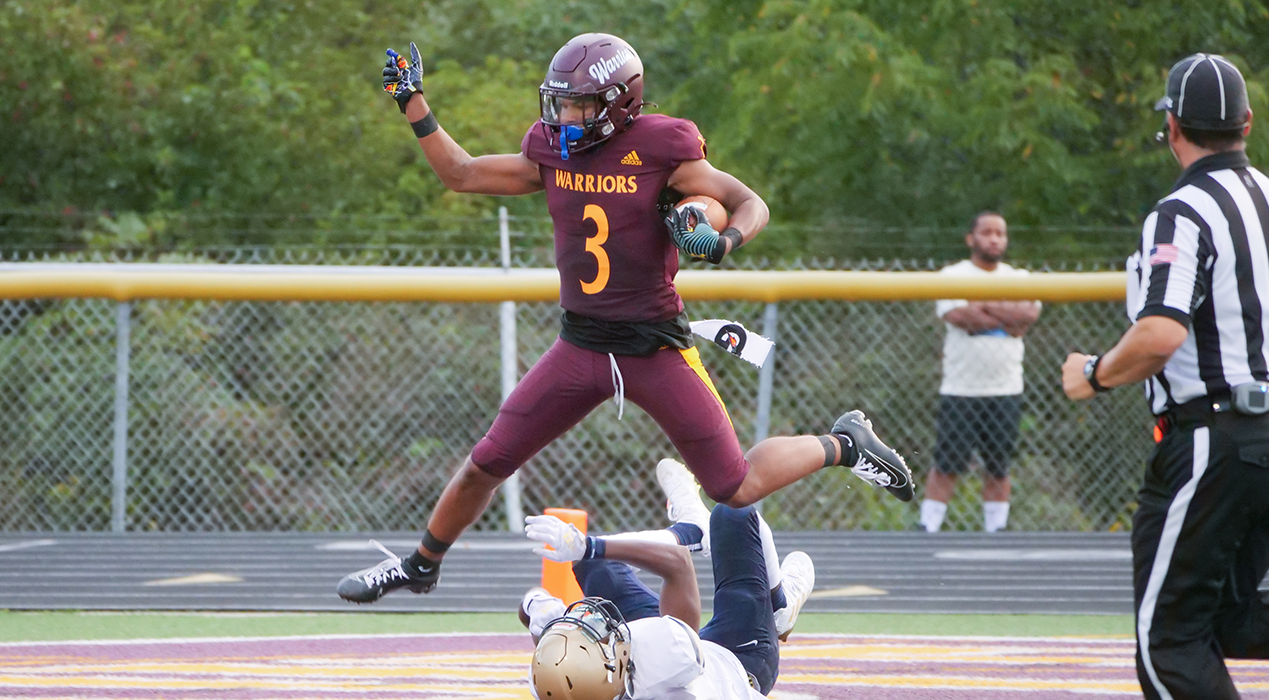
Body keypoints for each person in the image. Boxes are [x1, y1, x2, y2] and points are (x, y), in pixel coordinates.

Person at [336, 34, 914, 604]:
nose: (564, 114)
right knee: (485, 462)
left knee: (733, 486)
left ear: (621, 101)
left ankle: (844, 443)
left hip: (654, 348)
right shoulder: (552, 147)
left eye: (580, 103)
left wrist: (721, 239)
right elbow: (460, 174)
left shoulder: (663, 145)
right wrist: (413, 103)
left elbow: (748, 202)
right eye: (560, 101)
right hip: (580, 345)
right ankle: (421, 564)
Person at [1061, 53, 1269, 699]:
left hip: (1213, 437)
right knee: (1227, 623)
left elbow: (1160, 334)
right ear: (1246, 122)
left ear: (1173, 126)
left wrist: (1095, 374)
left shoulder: (1183, 210)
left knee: (1168, 644)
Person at [518, 458, 816, 698]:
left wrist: (538, 609)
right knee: (731, 512)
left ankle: (692, 529)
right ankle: (777, 605)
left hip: (648, 666)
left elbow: (554, 655)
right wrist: (591, 546)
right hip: (740, 661)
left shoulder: (564, 684)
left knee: (592, 565)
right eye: (600, 640)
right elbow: (677, 566)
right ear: (618, 669)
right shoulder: (670, 661)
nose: (595, 625)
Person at [918, 212, 1040, 533]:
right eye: (986, 232)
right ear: (971, 238)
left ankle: (995, 531)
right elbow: (961, 316)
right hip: (961, 389)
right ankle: (927, 529)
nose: (994, 239)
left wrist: (984, 302)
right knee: (947, 465)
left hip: (1005, 389)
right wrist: (1005, 313)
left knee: (999, 467)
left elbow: (1027, 315)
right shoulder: (953, 275)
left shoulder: (1021, 278)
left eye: (1000, 233)